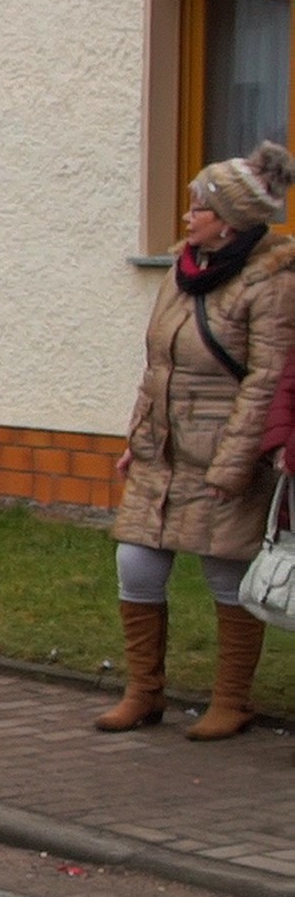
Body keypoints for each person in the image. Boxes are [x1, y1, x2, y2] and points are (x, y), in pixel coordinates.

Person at [101, 141, 295, 742]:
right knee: (135, 560)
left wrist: (234, 466)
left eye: (199, 207)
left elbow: (266, 381)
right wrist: (139, 437)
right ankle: (143, 693)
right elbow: (156, 363)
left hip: (223, 452)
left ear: (233, 219)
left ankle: (231, 701)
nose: (188, 218)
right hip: (165, 448)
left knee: (225, 573)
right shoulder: (181, 271)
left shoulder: (272, 283)